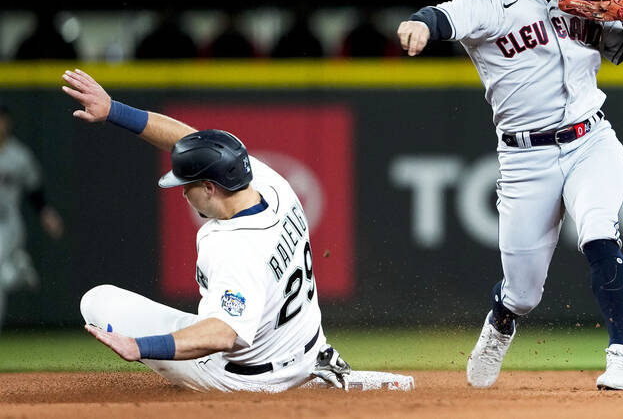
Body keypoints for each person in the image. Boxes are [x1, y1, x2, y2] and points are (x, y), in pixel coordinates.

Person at [396, 0, 623, 391]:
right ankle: (501, 319)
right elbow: (438, 16)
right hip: (524, 159)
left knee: (599, 231)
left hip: (591, 141)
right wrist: (418, 24)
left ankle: (622, 354)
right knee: (523, 293)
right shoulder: (486, 4)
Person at [60, 69, 413, 392]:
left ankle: (296, 385)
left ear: (210, 188)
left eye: (187, 184)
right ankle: (315, 369)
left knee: (97, 301)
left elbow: (223, 334)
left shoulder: (232, 247)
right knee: (217, 316)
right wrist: (114, 111)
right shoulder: (272, 186)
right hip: (303, 347)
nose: (182, 191)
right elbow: (190, 141)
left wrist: (140, 347)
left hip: (247, 379)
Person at [0, 101, 65, 332]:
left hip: (7, 224)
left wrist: (46, 214)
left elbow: (35, 191)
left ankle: (14, 269)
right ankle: (18, 269)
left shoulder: (19, 155)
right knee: (3, 276)